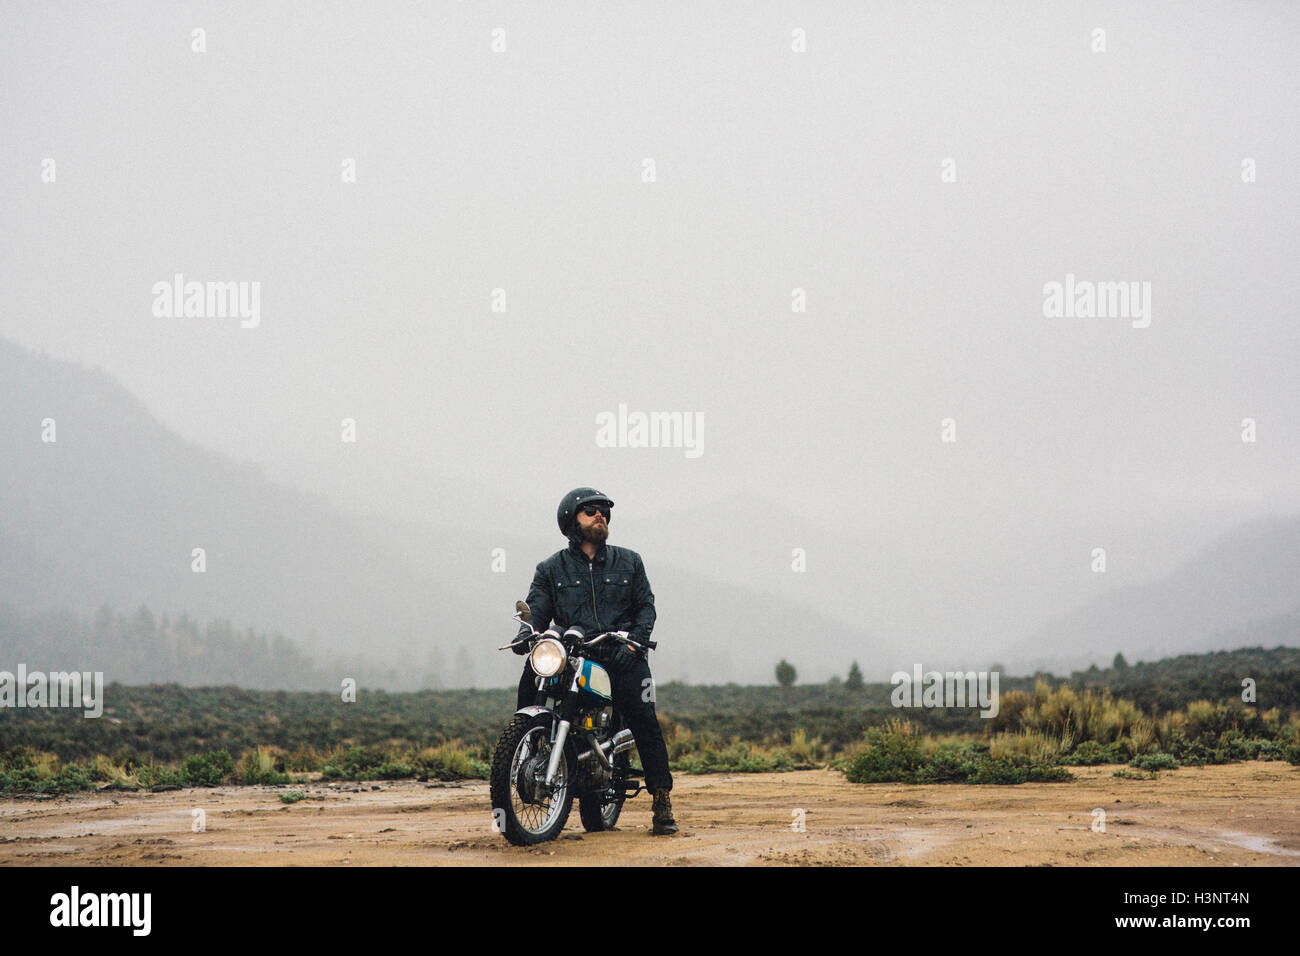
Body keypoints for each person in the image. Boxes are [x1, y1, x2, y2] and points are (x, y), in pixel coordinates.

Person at [514, 487, 677, 835]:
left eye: (603, 511)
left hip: (622, 653)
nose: (600, 515)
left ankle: (661, 798)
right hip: (575, 655)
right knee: (532, 674)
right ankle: (527, 747)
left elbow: (645, 607)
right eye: (590, 511)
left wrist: (634, 643)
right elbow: (538, 607)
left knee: (645, 718)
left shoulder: (629, 561)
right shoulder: (550, 568)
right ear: (571, 521)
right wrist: (527, 632)